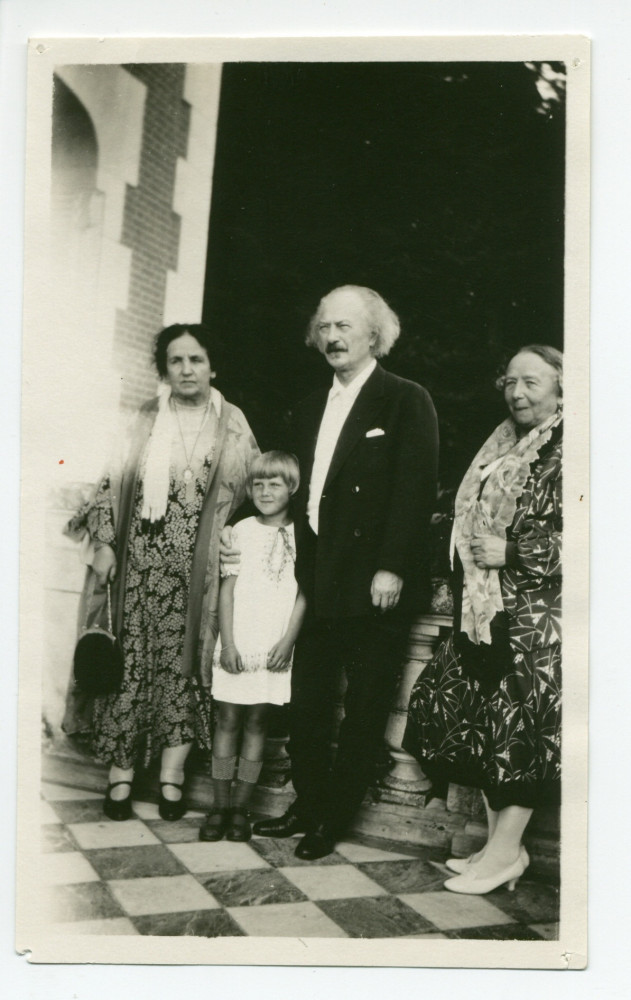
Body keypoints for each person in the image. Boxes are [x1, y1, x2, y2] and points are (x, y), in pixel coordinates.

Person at [248, 285, 439, 859]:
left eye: (345, 327)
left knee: (364, 709)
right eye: (325, 327)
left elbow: (414, 492)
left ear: (374, 335)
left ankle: (333, 818)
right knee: (306, 702)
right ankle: (307, 804)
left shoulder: (405, 399)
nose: (332, 337)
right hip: (317, 579)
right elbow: (290, 491)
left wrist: (391, 567)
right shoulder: (310, 406)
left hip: (375, 584)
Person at [63, 324, 259, 821]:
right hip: (137, 570)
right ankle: (121, 775)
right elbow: (110, 481)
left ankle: (172, 776)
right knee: (126, 669)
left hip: (197, 578)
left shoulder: (233, 423)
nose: (187, 369)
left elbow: (253, 492)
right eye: (176, 361)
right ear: (164, 369)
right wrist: (104, 543)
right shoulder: (144, 419)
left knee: (182, 670)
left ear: (212, 366)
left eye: (197, 359)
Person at [403, 344, 563, 895]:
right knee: (486, 724)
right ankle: (501, 849)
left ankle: (502, 856)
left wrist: (513, 551)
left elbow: (602, 531)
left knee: (517, 731)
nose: (517, 393)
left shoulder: (576, 446)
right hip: (486, 610)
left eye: (532, 382)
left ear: (561, 387)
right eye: (510, 382)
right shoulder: (505, 441)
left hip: (535, 620)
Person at [199, 451, 307, 843]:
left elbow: (304, 595)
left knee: (258, 723)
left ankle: (241, 810)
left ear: (292, 487)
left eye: (274, 484)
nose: (264, 491)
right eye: (257, 484)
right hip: (239, 641)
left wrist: (288, 642)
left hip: (274, 645)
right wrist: (228, 643)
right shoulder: (240, 530)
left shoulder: (304, 535)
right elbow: (227, 592)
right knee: (227, 720)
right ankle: (219, 806)